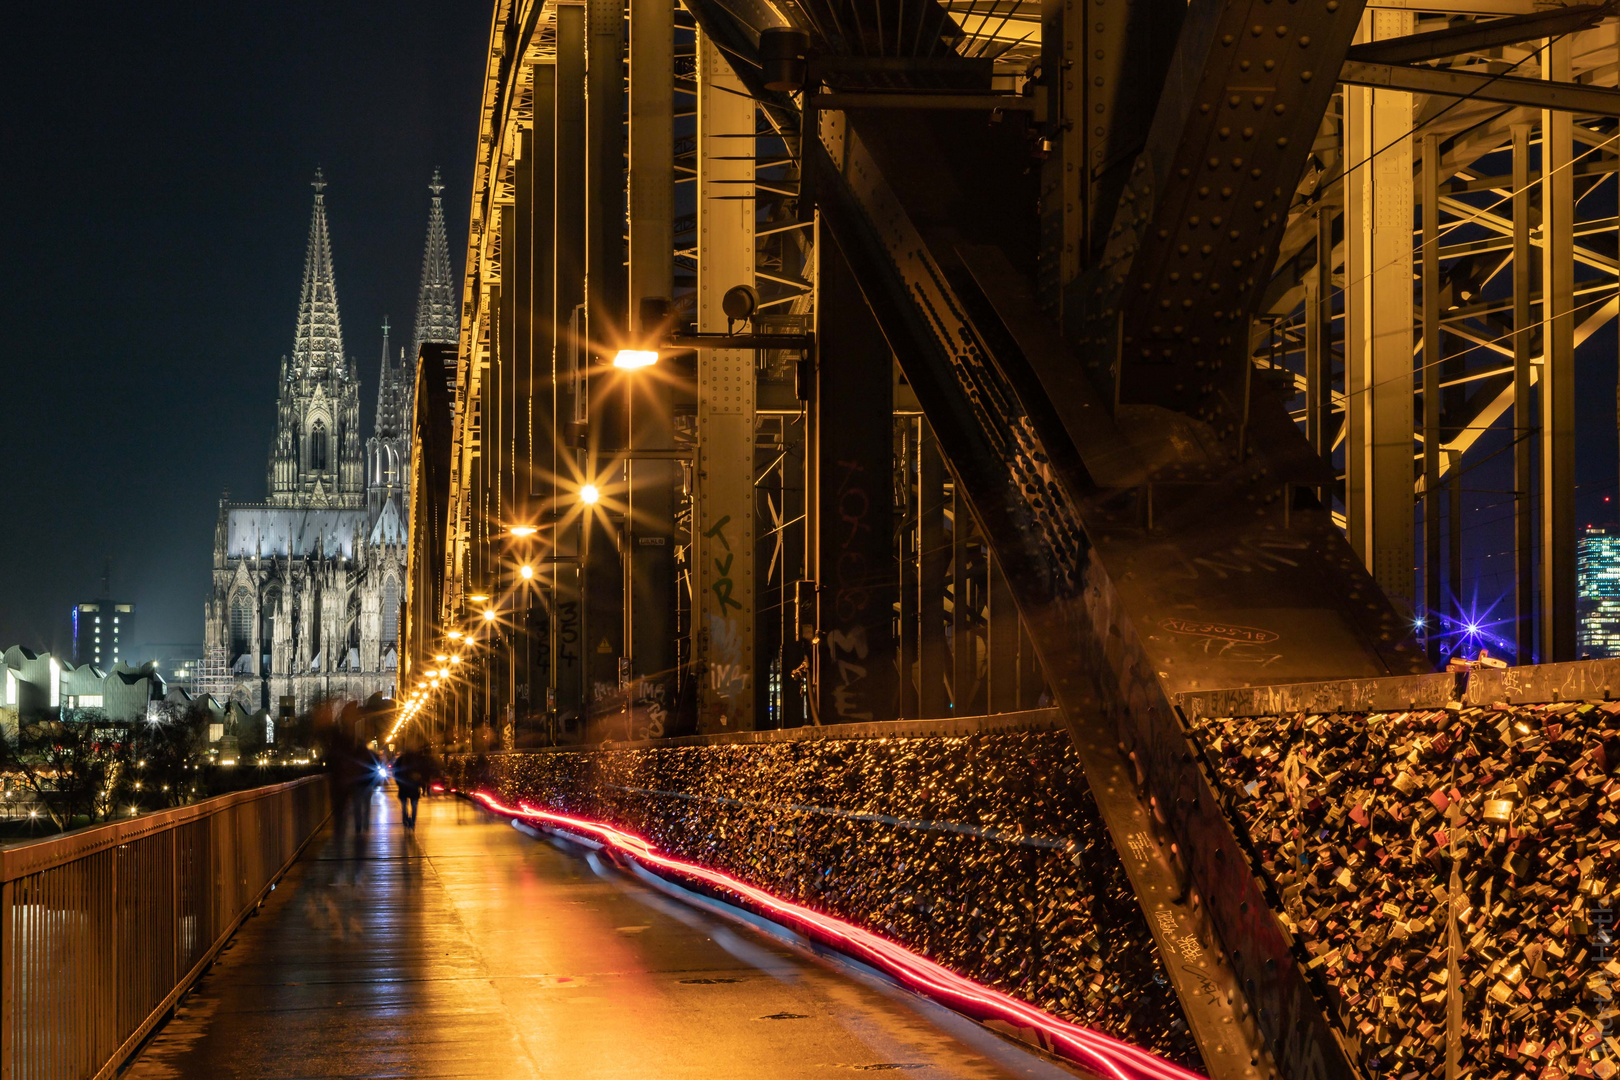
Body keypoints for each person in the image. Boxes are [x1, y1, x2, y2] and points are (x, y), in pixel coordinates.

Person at [393, 748, 426, 828]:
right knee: (414, 805)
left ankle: (405, 820)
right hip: (414, 787)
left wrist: (399, 783)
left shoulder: (400, 759)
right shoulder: (417, 761)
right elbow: (422, 773)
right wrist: (421, 785)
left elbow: (395, 772)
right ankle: (412, 821)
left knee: (404, 806)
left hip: (403, 787)